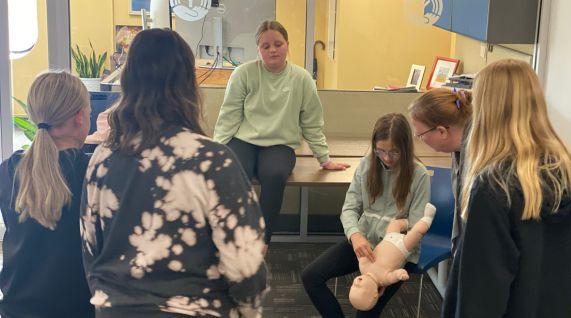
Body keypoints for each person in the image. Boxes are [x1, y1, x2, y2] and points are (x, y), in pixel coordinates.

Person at [80, 28, 268, 317]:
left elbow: (91, 251)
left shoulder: (102, 159)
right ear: (189, 85)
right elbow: (245, 267)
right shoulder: (212, 161)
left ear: (128, 82)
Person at [442, 59, 571, 318]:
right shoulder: (569, 173)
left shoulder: (494, 187)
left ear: (488, 110)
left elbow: (481, 295)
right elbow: (570, 265)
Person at [213, 20, 349, 246]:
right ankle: (232, 237)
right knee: (235, 172)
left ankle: (261, 242)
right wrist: (217, 150)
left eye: (278, 44)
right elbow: (229, 115)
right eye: (265, 46)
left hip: (280, 144)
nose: (272, 50)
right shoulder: (243, 74)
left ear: (287, 44)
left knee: (274, 175)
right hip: (244, 140)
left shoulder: (302, 78)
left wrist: (323, 158)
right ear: (258, 49)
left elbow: (311, 122)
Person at [301, 113, 430, 317]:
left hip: (395, 253)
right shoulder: (367, 163)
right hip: (364, 244)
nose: (387, 158)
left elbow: (417, 223)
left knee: (365, 310)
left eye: (394, 152)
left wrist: (393, 232)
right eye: (381, 151)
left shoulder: (419, 174)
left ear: (406, 148)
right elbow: (349, 208)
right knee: (311, 276)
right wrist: (355, 236)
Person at [0, 71, 94, 317]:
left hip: (16, 309)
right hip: (78, 309)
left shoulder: (9, 170)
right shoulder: (93, 172)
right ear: (80, 117)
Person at [409, 87, 472, 252]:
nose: (419, 139)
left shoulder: (477, 165)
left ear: (442, 131)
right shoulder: (459, 152)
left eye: (420, 135)